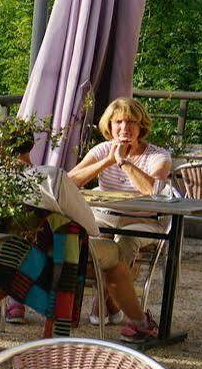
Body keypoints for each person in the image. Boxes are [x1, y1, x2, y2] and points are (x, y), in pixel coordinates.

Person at [0, 125, 157, 340]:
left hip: (5, 252)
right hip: (57, 253)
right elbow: (89, 225)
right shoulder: (51, 177)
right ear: (31, 145)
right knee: (115, 256)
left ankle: (19, 302)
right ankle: (139, 322)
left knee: (79, 254)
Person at [66, 96, 172, 333]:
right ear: (110, 127)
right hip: (104, 215)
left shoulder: (158, 156)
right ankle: (115, 298)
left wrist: (123, 162)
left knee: (125, 241)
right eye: (119, 122)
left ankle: (105, 301)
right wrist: (107, 161)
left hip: (144, 220)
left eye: (131, 122)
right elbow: (70, 181)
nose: (125, 128)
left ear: (141, 126)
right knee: (83, 241)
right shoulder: (103, 149)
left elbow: (151, 191)